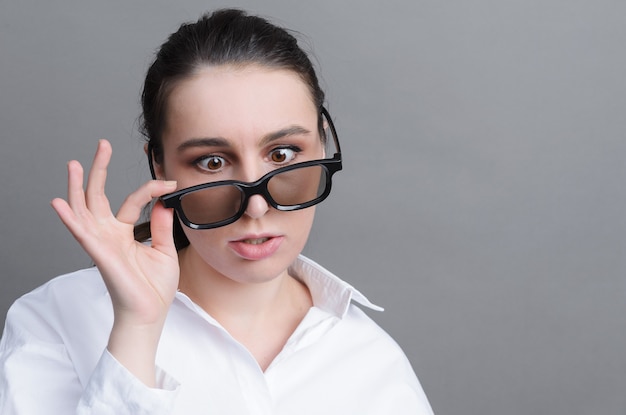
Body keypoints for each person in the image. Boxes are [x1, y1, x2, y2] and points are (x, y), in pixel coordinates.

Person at [0, 9, 434, 414]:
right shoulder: (57, 319)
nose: (257, 205)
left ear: (322, 143)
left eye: (282, 154)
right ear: (160, 165)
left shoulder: (375, 365)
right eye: (212, 162)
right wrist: (137, 330)